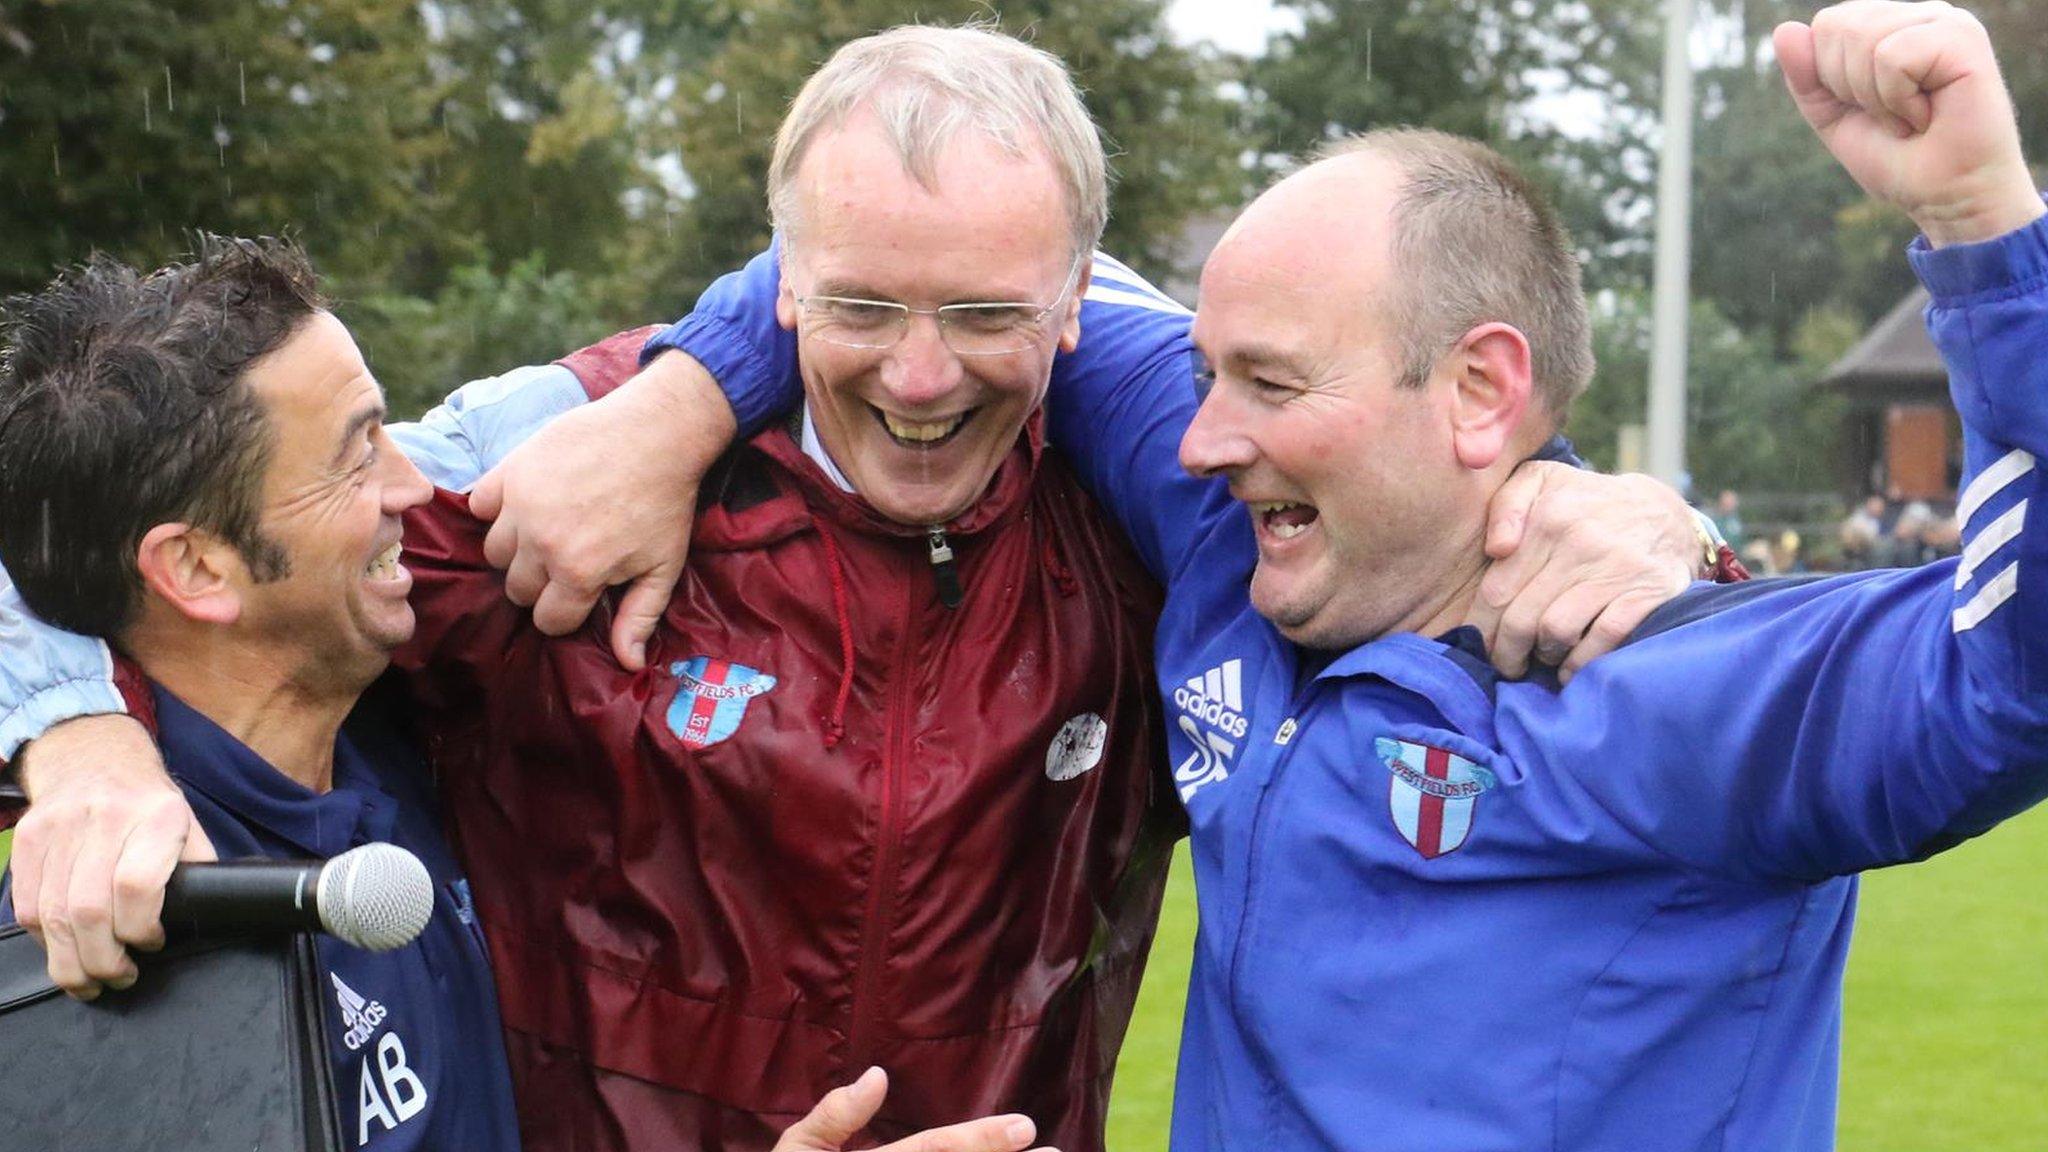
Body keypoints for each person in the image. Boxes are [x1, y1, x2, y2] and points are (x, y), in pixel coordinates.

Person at [1, 25, 1709, 1152]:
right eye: (858, 309)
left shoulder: (1155, 523)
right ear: (775, 286)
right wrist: (71, 735)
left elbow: (1405, 488)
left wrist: (1588, 505)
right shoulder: (558, 485)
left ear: (1075, 310)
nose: (914, 377)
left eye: (980, 318)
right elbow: (129, 523)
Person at [626, 2, 2048, 1147]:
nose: (1196, 432)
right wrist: (678, 397)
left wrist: (1988, 228)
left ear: (1482, 392)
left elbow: (2013, 682)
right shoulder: (1229, 540)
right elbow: (947, 268)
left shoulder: (1671, 676)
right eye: (1201, 370)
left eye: (1268, 380)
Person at [0, 238, 522, 1150]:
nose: (414, 485)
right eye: (357, 456)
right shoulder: (106, 933)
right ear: (198, 566)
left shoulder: (398, 729)